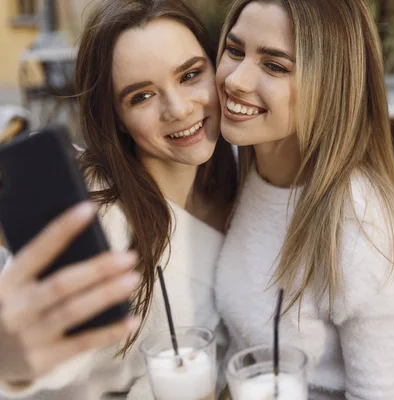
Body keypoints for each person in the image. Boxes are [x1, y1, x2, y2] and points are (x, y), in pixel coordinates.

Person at [214, 0, 394, 399]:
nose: (236, 79)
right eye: (234, 50)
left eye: (275, 66)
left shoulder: (362, 226)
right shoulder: (238, 167)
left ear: (330, 87)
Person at [0, 0, 236, 398]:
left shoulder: (241, 169)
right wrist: (10, 359)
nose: (178, 109)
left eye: (191, 75)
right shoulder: (95, 220)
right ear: (116, 118)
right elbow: (37, 362)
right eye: (141, 97)